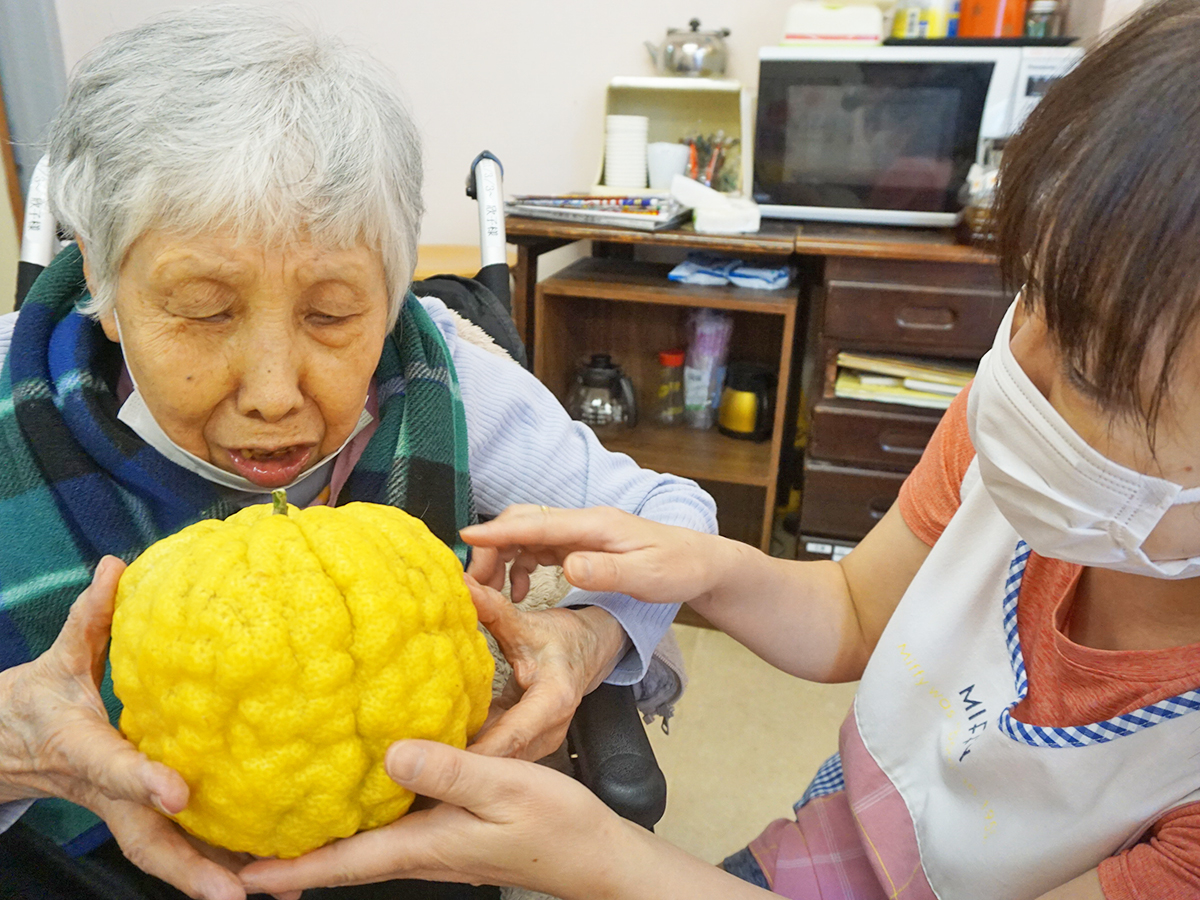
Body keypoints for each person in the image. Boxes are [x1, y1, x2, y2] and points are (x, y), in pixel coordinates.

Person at [240, 2, 1200, 899]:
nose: (1011, 374)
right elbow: (858, 610)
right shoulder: (1019, 438)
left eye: (1099, 374)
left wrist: (595, 855)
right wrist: (702, 565)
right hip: (838, 829)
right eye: (1031, 295)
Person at [0, 6, 717, 900]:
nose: (273, 390)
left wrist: (588, 637)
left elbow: (669, 515)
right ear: (103, 289)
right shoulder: (13, 405)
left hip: (397, 839)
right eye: (204, 308)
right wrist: (16, 751)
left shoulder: (440, 379)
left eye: (333, 314)